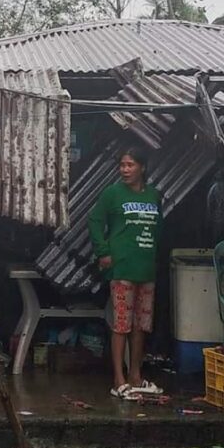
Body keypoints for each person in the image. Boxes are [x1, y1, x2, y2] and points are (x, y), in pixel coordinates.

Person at [87, 147, 163, 399]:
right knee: (121, 324)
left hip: (146, 268)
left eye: (130, 165)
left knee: (140, 325)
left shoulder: (154, 195)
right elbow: (95, 221)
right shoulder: (112, 194)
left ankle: (135, 376)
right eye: (122, 165)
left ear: (142, 167)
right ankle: (118, 379)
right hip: (121, 267)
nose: (125, 170)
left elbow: (158, 228)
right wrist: (103, 251)